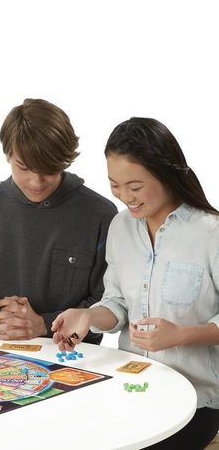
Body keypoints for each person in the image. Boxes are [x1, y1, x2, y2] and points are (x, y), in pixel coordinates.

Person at [52, 117, 219, 449]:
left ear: (166, 173)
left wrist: (180, 335)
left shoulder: (210, 232)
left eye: (135, 186)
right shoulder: (121, 227)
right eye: (115, 184)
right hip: (131, 387)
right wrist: (88, 315)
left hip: (195, 401)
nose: (125, 196)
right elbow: (117, 304)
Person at [0, 98, 117, 341]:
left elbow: (108, 301)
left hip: (75, 353)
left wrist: (43, 325)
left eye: (48, 168)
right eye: (24, 167)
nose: (36, 181)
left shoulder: (101, 215)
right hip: (0, 347)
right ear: (8, 155)